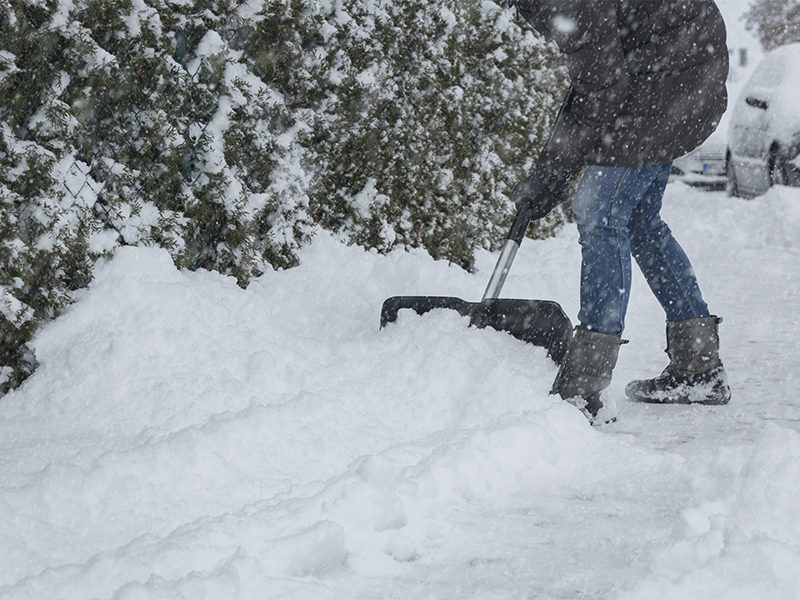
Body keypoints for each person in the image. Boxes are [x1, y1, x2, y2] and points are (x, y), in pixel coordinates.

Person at [509, 0, 732, 423]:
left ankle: (585, 385)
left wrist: (554, 175)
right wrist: (550, 171)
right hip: (681, 72)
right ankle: (698, 364)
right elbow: (595, 76)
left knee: (597, 214)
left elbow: (601, 87)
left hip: (669, 82)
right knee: (640, 221)